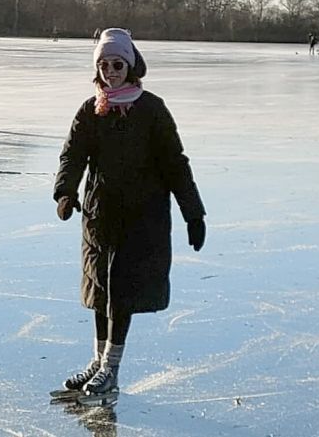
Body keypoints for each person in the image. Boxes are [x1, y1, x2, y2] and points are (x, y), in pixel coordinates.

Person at [53, 28, 206, 403]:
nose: (110, 71)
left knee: (121, 291)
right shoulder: (90, 110)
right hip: (99, 214)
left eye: (117, 64)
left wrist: (193, 213)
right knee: (99, 289)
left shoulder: (152, 109)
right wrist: (65, 192)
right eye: (103, 65)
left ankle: (111, 368)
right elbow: (73, 155)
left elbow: (175, 163)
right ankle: (97, 361)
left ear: (131, 65)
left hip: (141, 217)